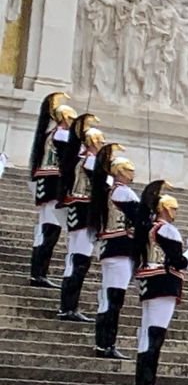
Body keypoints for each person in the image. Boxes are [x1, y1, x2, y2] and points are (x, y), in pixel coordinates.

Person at [129, 181, 188, 385]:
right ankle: (146, 383)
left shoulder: (149, 228)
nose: (175, 212)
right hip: (164, 283)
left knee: (147, 333)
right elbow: (179, 262)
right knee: (155, 334)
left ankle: (142, 383)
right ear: (165, 209)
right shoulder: (168, 230)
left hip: (149, 282)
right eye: (173, 208)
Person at [91, 151, 144, 360]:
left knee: (110, 298)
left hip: (113, 248)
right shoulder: (123, 192)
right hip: (119, 248)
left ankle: (104, 343)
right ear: (120, 172)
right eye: (129, 170)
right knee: (113, 298)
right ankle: (105, 344)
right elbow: (140, 217)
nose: (132, 173)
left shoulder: (112, 191)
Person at [55, 122, 106, 322]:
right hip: (85, 214)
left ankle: (67, 306)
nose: (103, 145)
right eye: (101, 142)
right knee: (80, 261)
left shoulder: (79, 158)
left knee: (73, 260)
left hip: (76, 212)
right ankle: (69, 306)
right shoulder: (91, 161)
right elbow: (103, 184)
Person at [25, 93, 75, 288]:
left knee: (46, 230)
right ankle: (39, 273)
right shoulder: (62, 135)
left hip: (48, 186)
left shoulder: (50, 134)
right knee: (49, 231)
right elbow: (69, 159)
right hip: (54, 187)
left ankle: (38, 272)